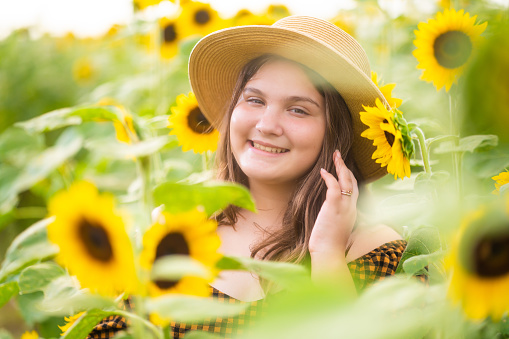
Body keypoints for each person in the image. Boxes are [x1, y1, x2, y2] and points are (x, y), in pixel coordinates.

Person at [88, 15, 419, 339]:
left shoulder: (384, 255)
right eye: (255, 100)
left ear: (337, 134)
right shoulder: (176, 233)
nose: (266, 125)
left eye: (298, 109)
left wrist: (328, 257)